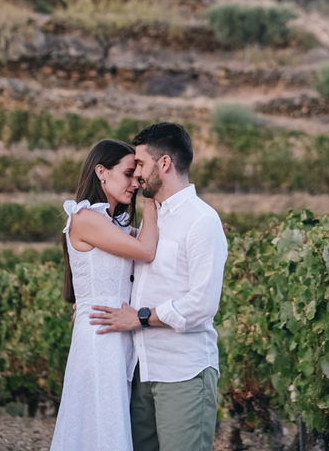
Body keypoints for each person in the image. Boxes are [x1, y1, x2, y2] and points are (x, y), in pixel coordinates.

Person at [90, 123, 228, 451]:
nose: (135, 174)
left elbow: (202, 304)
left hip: (183, 372)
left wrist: (139, 317)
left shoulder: (202, 221)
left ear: (164, 163)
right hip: (140, 370)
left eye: (140, 164)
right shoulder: (152, 221)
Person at [50, 139, 160, 451]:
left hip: (117, 335)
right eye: (128, 174)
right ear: (101, 172)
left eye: (137, 177)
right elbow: (146, 250)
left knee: (106, 425)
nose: (135, 184)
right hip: (101, 337)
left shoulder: (114, 224)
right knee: (100, 426)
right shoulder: (85, 218)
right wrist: (151, 198)